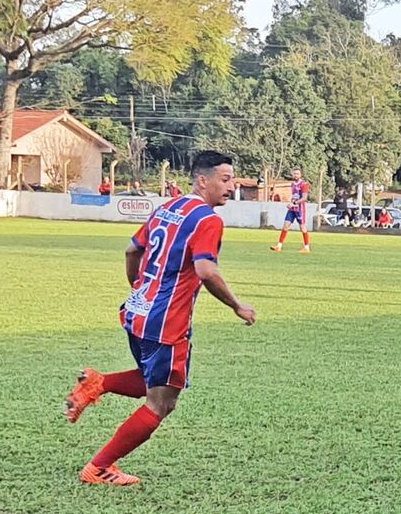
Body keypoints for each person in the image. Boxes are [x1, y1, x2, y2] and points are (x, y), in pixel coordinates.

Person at [63, 151, 256, 486]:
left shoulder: (167, 208)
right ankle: (99, 467)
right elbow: (206, 270)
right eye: (225, 180)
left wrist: (140, 289)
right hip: (166, 323)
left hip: (137, 312)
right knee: (163, 402)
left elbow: (131, 250)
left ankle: (98, 383)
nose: (231, 187)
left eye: (233, 180)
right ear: (202, 180)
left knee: (156, 381)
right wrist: (237, 305)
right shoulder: (208, 220)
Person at [271, 169, 312, 253]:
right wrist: (291, 203)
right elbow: (294, 196)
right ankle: (279, 246)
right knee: (286, 225)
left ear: (301, 175)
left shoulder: (304, 184)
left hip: (300, 209)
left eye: (297, 174)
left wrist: (294, 203)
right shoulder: (292, 184)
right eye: (294, 174)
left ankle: (306, 247)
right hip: (292, 209)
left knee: (302, 227)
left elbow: (304, 198)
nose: (295, 175)